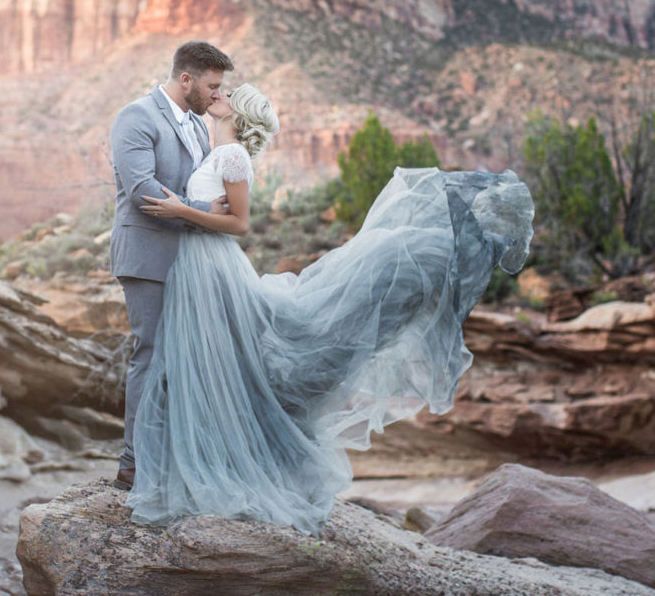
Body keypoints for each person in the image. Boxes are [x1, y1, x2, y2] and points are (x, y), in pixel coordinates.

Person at [124, 83, 534, 535]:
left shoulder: (233, 155)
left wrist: (185, 209)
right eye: (219, 88)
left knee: (224, 362)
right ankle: (179, 459)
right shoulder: (212, 145)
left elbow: (238, 222)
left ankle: (205, 464)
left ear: (239, 115)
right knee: (209, 363)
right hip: (199, 264)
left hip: (211, 262)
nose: (219, 93)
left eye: (229, 92)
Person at [109, 40, 235, 491]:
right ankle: (133, 464)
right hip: (148, 256)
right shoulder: (136, 117)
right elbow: (143, 188)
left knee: (185, 358)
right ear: (187, 79)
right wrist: (207, 208)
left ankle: (176, 457)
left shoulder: (200, 127)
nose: (218, 95)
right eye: (213, 86)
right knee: (152, 355)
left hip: (189, 258)